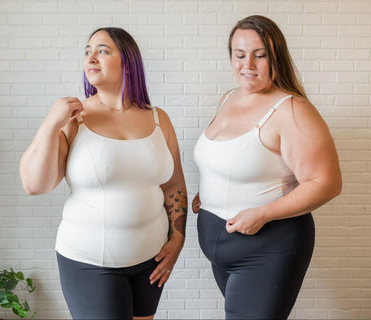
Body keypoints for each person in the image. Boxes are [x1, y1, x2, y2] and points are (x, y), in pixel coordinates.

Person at [20, 27, 187, 320]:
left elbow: (174, 185)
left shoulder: (160, 119)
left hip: (150, 261)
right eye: (87, 51)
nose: (91, 58)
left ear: (128, 62)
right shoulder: (75, 118)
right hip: (89, 262)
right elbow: (34, 184)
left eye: (102, 50)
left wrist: (177, 240)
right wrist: (51, 122)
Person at [192, 15, 342, 320]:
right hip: (221, 249)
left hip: (266, 248)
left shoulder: (292, 110)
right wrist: (208, 191)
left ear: (277, 58)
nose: (248, 64)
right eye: (239, 54)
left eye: (260, 55)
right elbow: (236, 160)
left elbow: (326, 182)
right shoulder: (230, 97)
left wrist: (263, 213)